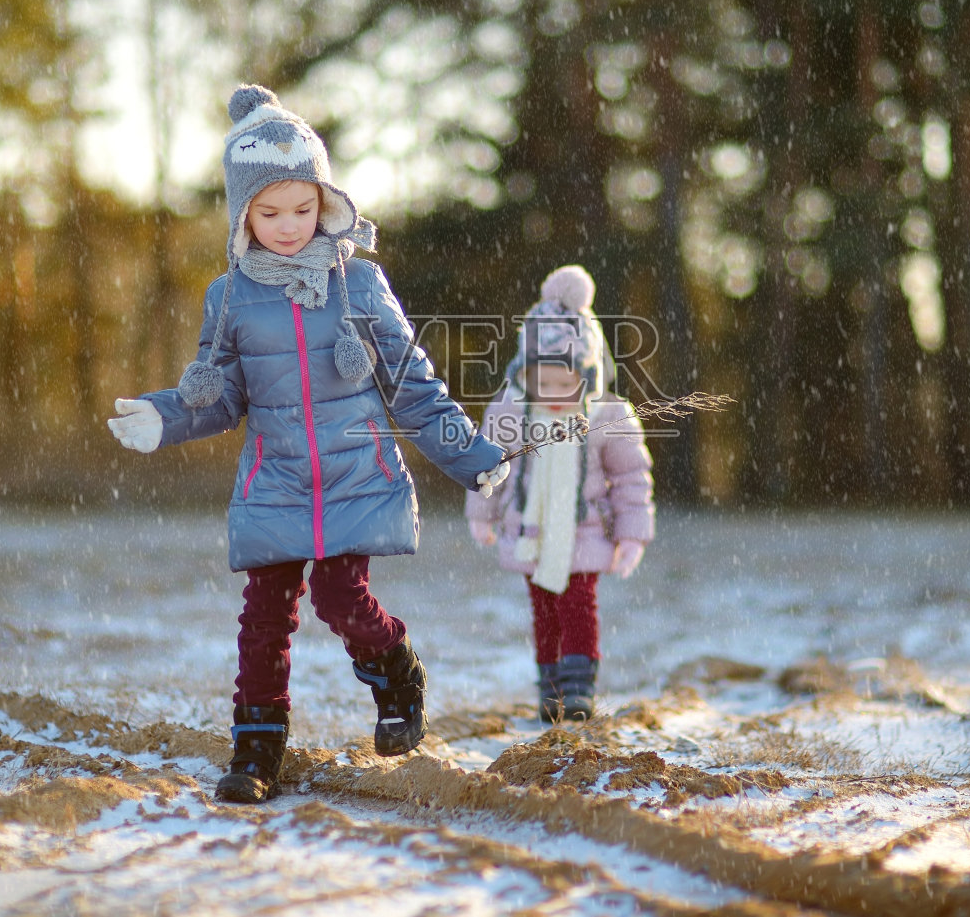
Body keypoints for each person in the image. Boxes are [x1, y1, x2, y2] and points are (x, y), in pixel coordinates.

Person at [108, 85, 508, 803]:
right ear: (242, 214)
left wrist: (472, 455)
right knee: (263, 618)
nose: (289, 226)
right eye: (269, 212)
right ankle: (257, 748)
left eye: (302, 208)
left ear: (323, 201)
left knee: (340, 596)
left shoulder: (358, 283)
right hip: (277, 480)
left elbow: (413, 386)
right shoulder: (228, 296)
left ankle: (395, 667)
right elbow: (222, 394)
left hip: (354, 473)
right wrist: (164, 416)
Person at [466, 264, 654, 723]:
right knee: (544, 609)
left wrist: (632, 535)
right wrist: (482, 512)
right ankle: (549, 687)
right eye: (541, 382)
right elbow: (490, 465)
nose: (552, 393)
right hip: (529, 529)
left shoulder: (608, 414)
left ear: (587, 375)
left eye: (564, 382)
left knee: (577, 605)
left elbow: (631, 478)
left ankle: (578, 689)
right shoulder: (511, 411)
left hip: (585, 531)